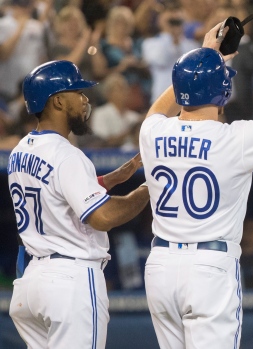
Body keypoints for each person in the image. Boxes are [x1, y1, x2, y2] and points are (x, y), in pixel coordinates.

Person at [138, 16, 253, 348]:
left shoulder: (152, 132)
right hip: (209, 268)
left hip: (160, 268)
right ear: (223, 92)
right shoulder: (237, 138)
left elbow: (158, 108)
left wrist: (205, 56)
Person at [7, 60, 150, 348]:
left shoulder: (20, 149)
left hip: (32, 283)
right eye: (77, 93)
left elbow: (56, 193)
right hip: (70, 283)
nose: (85, 100)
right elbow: (102, 217)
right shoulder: (67, 155)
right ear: (58, 101)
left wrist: (109, 180)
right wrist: (148, 189)